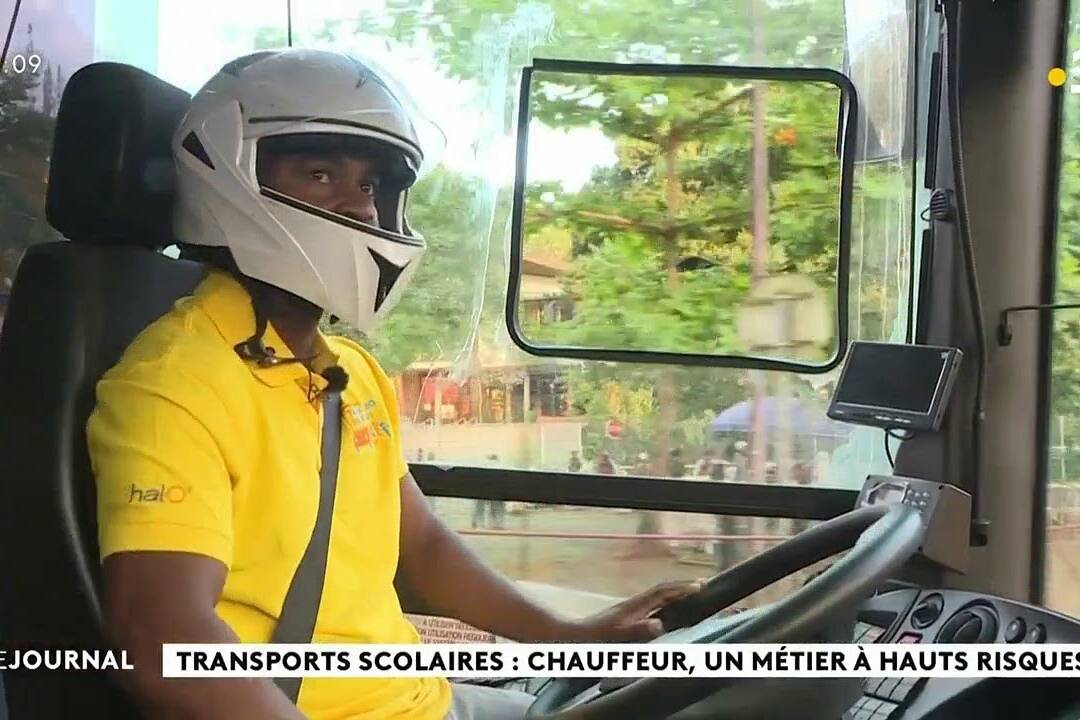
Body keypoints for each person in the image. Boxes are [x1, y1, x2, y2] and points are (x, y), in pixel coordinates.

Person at [86, 49, 699, 720]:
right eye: (322, 175)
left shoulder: (348, 372)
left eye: (373, 185)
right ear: (230, 175)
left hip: (422, 700)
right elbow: (160, 636)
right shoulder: (175, 383)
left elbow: (425, 545)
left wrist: (571, 639)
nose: (365, 211)